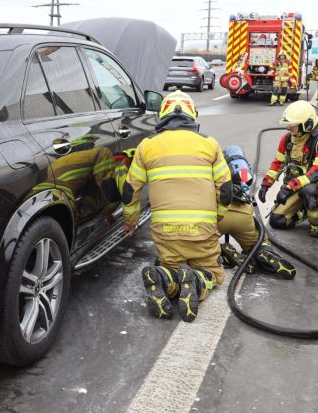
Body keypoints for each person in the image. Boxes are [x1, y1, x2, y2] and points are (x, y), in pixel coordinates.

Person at [122, 90, 230, 322]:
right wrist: (217, 220)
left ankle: (164, 277)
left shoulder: (146, 146)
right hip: (202, 231)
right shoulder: (210, 144)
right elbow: (226, 191)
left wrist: (130, 222)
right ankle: (198, 280)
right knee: (213, 272)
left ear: (162, 115)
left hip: (165, 232)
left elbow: (130, 190)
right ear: (192, 115)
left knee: (170, 266)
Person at [258, 100, 318, 238]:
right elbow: (278, 164)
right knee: (277, 221)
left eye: (292, 125)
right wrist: (265, 184)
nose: (289, 128)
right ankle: (303, 211)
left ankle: (316, 225)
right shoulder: (287, 139)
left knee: (310, 192)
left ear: (307, 124)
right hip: (295, 185)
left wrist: (289, 188)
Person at [217, 146, 296, 278]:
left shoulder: (216, 169)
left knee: (202, 244)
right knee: (259, 242)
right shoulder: (243, 172)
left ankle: (220, 251)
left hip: (220, 216)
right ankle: (262, 252)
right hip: (244, 216)